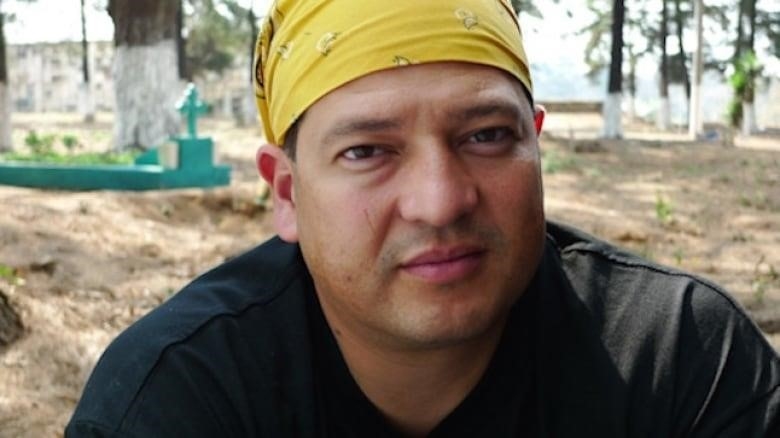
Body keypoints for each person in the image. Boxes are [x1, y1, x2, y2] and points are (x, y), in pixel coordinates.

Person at [67, 0, 779, 436]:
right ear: (286, 193)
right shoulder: (179, 399)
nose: (441, 201)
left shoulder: (678, 359)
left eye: (486, 136)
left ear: (536, 143)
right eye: (368, 151)